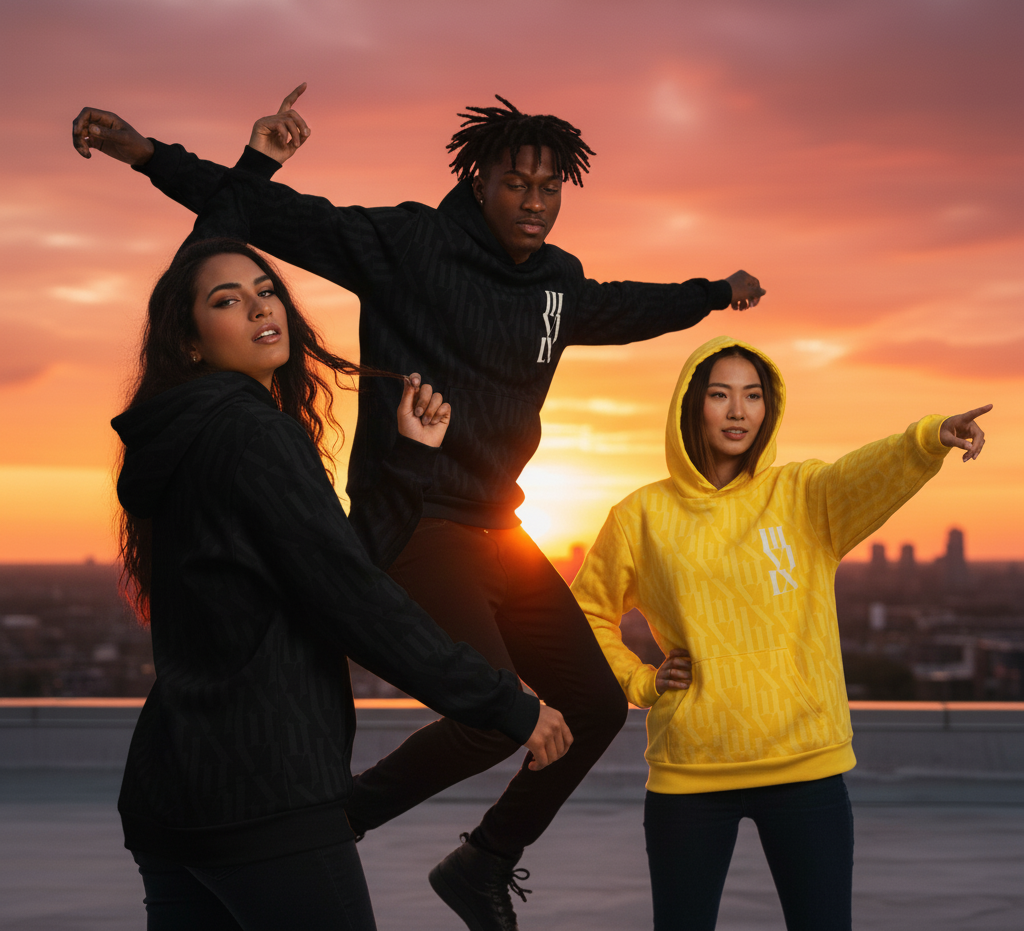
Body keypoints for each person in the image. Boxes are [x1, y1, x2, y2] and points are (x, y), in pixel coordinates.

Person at [73, 88, 766, 930]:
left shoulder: (557, 285)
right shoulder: (406, 244)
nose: (536, 202)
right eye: (517, 183)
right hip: (415, 515)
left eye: (551, 189)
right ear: (479, 181)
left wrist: (713, 291)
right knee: (488, 719)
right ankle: (330, 825)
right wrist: (147, 154)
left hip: (500, 529)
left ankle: (482, 863)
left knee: (596, 706)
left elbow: (629, 305)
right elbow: (271, 215)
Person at [112, 236, 571, 931]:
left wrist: (410, 462)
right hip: (263, 792)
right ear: (193, 344)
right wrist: (505, 703)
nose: (260, 307)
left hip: (172, 793)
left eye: (265, 289)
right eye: (226, 301)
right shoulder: (253, 433)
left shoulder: (186, 436)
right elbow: (355, 603)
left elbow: (327, 569)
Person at [570, 335, 991, 931]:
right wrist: (639, 679)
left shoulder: (803, 495)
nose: (738, 411)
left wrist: (927, 438)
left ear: (769, 409)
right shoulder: (640, 516)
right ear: (692, 405)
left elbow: (867, 471)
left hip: (805, 767)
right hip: (692, 768)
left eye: (753, 396)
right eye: (720, 395)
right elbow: (584, 613)